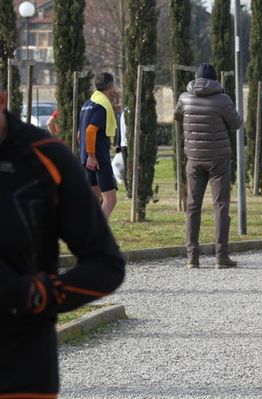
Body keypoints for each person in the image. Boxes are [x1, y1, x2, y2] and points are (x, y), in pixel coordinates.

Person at [0, 81, 125, 397]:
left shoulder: (46, 158)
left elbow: (106, 264)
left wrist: (39, 295)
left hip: (22, 368)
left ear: (2, 99)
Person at [174, 63, 242, 270]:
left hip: (193, 159)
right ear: (215, 80)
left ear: (195, 79)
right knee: (220, 205)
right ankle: (221, 257)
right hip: (219, 159)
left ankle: (192, 258)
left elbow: (178, 116)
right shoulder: (222, 99)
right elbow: (236, 123)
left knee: (193, 206)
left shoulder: (184, 98)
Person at [78, 72, 119, 219]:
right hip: (98, 160)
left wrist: (86, 155)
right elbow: (90, 131)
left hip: (86, 160)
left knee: (94, 201)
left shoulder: (87, 104)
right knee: (110, 200)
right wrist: (92, 155)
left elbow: (79, 135)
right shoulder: (102, 106)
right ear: (110, 86)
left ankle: (86, 233)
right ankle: (97, 235)